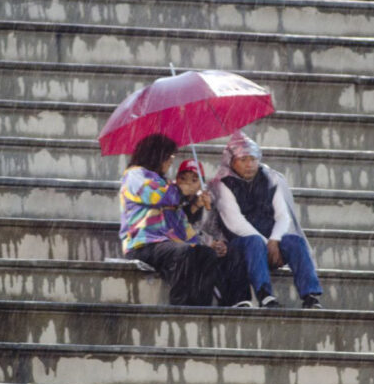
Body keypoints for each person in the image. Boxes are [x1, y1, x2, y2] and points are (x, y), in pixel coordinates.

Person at [119, 134, 248, 306]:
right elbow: (158, 196)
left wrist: (205, 244)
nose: (170, 162)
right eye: (169, 157)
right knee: (184, 253)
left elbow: (181, 224)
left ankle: (201, 308)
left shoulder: (164, 183)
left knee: (205, 254)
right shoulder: (134, 175)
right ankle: (180, 308)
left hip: (166, 244)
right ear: (156, 156)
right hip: (142, 245)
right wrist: (182, 191)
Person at [206, 131, 323, 309]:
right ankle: (265, 295)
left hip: (271, 243)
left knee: (295, 242)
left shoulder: (269, 178)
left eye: (253, 159)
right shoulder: (222, 184)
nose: (249, 165)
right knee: (254, 242)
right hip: (241, 246)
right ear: (232, 161)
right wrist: (267, 244)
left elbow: (282, 215)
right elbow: (235, 222)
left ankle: (310, 295)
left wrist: (275, 239)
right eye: (243, 159)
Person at [175, 159, 252, 307]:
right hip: (188, 249)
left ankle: (241, 300)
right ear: (177, 180)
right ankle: (221, 299)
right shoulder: (172, 200)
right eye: (183, 179)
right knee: (206, 255)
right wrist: (209, 242)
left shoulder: (207, 202)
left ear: (201, 183)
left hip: (208, 245)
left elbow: (216, 228)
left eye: (194, 180)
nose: (188, 183)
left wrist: (221, 243)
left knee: (234, 251)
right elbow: (183, 230)